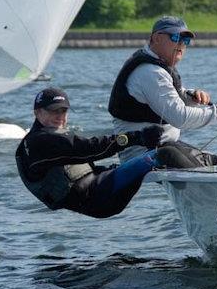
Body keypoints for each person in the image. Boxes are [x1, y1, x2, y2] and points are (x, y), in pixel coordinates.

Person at [108, 16, 217, 166]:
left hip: (164, 146)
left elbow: (168, 99)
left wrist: (190, 97)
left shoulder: (157, 66)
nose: (181, 45)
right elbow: (180, 117)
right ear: (157, 38)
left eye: (185, 41)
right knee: (197, 169)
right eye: (176, 37)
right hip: (140, 153)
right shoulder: (150, 72)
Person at [16, 87, 173, 219]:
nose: (60, 116)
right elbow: (88, 148)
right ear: (37, 113)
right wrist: (137, 137)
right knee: (164, 154)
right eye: (53, 111)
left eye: (63, 111)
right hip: (99, 198)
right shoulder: (39, 142)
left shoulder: (50, 136)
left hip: (100, 187)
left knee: (164, 153)